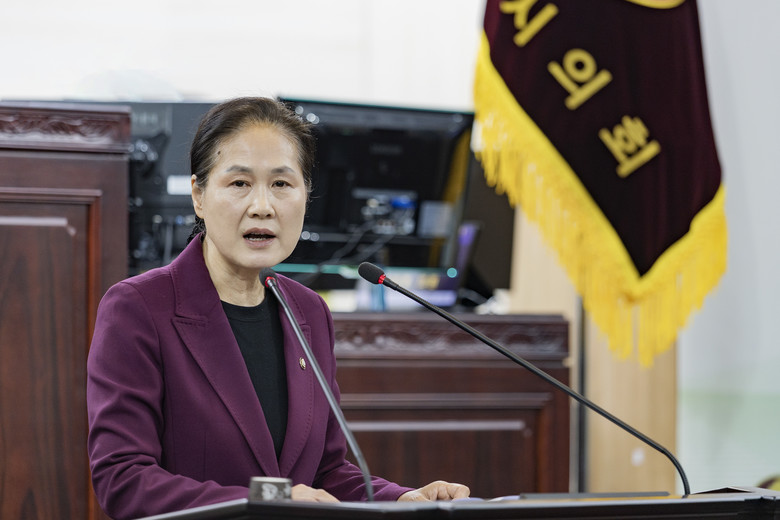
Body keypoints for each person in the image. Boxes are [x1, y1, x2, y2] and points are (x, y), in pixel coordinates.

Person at [86, 96, 469, 520]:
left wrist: (400, 499)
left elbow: (326, 472)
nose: (263, 206)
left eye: (282, 184)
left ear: (306, 196)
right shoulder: (139, 308)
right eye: (239, 183)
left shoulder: (308, 312)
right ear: (198, 195)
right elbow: (123, 480)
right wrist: (270, 499)